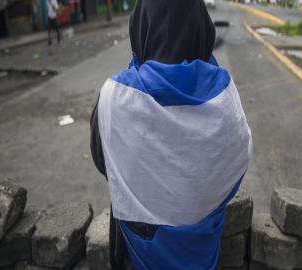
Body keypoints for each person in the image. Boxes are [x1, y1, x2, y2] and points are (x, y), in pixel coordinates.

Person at [90, 0, 252, 269]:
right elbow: (236, 162)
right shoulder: (224, 96)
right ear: (202, 28)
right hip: (203, 253)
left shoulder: (116, 97)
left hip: (138, 254)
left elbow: (104, 161)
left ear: (141, 27)